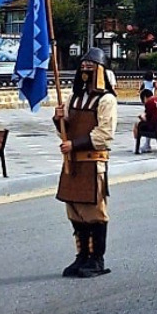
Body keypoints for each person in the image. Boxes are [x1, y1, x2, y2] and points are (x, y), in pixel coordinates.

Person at [54, 46, 118, 278]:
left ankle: (96, 259)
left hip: (92, 162)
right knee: (74, 210)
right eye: (84, 65)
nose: (86, 70)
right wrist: (59, 119)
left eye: (91, 66)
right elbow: (66, 131)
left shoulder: (107, 100)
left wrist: (75, 144)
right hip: (72, 163)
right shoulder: (75, 98)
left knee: (93, 212)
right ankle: (81, 256)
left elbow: (104, 134)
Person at [134, 82, 157, 151]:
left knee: (138, 125)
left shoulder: (149, 102)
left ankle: (138, 146)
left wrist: (141, 117)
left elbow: (147, 118)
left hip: (155, 126)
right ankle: (147, 144)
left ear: (145, 97)